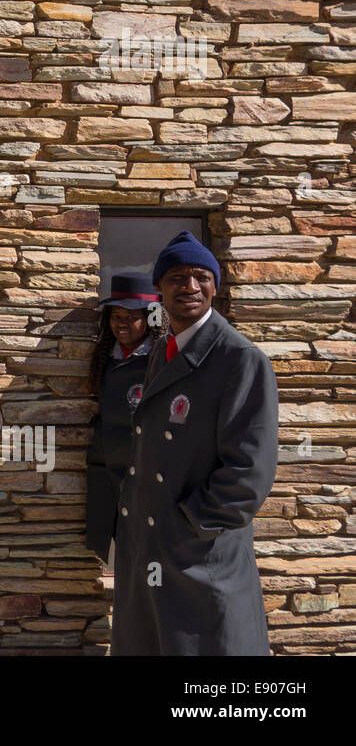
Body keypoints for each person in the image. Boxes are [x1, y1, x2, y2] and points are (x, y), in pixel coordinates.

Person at [112, 231, 279, 656]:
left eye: (200, 276)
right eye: (177, 277)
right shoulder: (162, 350)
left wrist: (187, 526)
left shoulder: (240, 359)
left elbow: (247, 476)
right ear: (160, 289)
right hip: (152, 551)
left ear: (215, 286)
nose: (189, 286)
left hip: (198, 557)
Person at [85, 273, 165, 563]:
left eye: (131, 316)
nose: (121, 323)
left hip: (146, 472)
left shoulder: (161, 360)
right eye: (115, 315)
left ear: (149, 318)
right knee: (115, 551)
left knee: (149, 552)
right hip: (108, 470)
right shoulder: (105, 358)